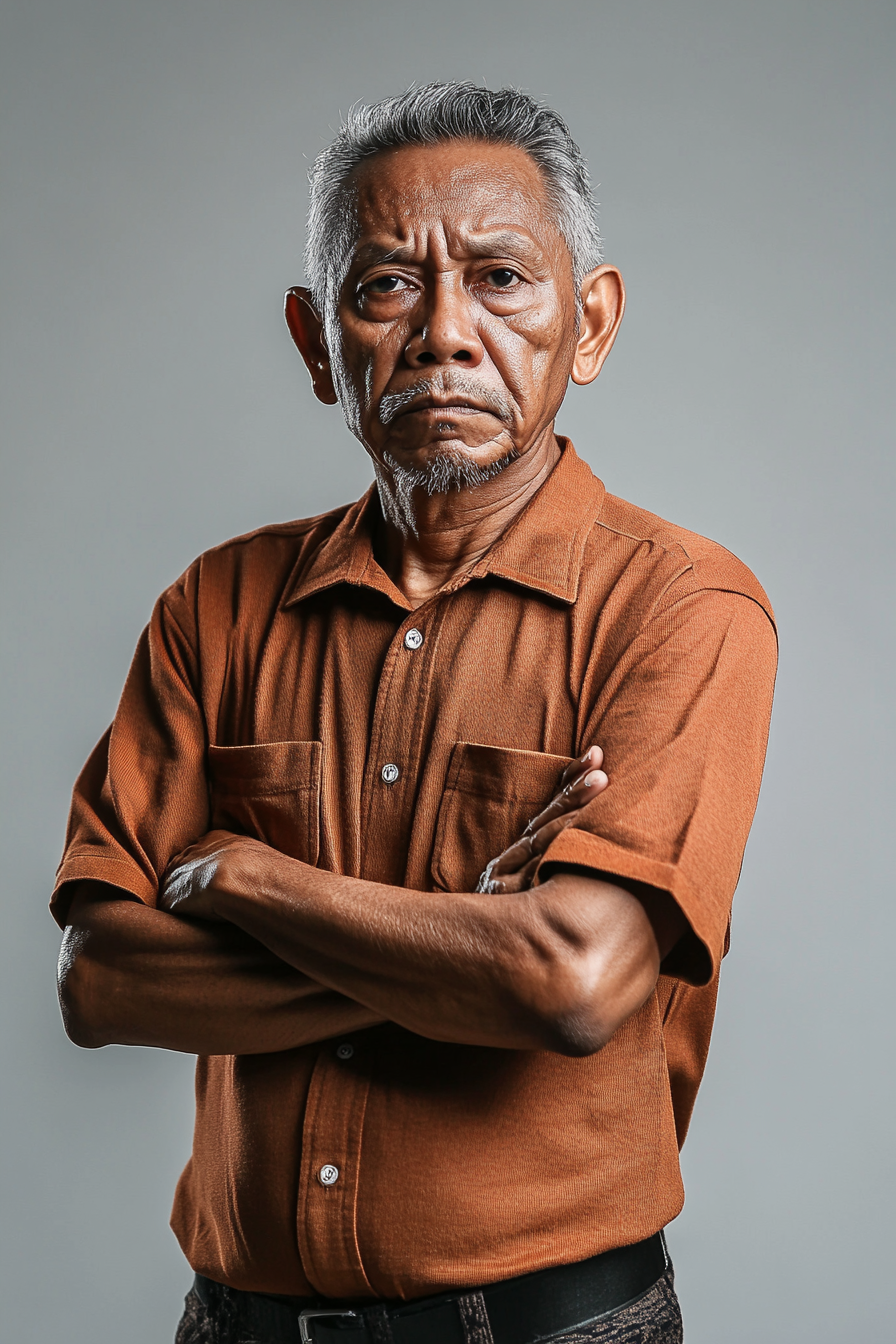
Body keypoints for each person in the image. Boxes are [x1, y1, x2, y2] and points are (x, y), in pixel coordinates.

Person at [53, 83, 777, 1344]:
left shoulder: (683, 605)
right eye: (386, 285)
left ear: (589, 323)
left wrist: (247, 881)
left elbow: (571, 983)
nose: (445, 332)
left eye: (501, 278)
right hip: (238, 1324)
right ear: (311, 338)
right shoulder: (214, 605)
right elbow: (104, 983)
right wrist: (470, 954)